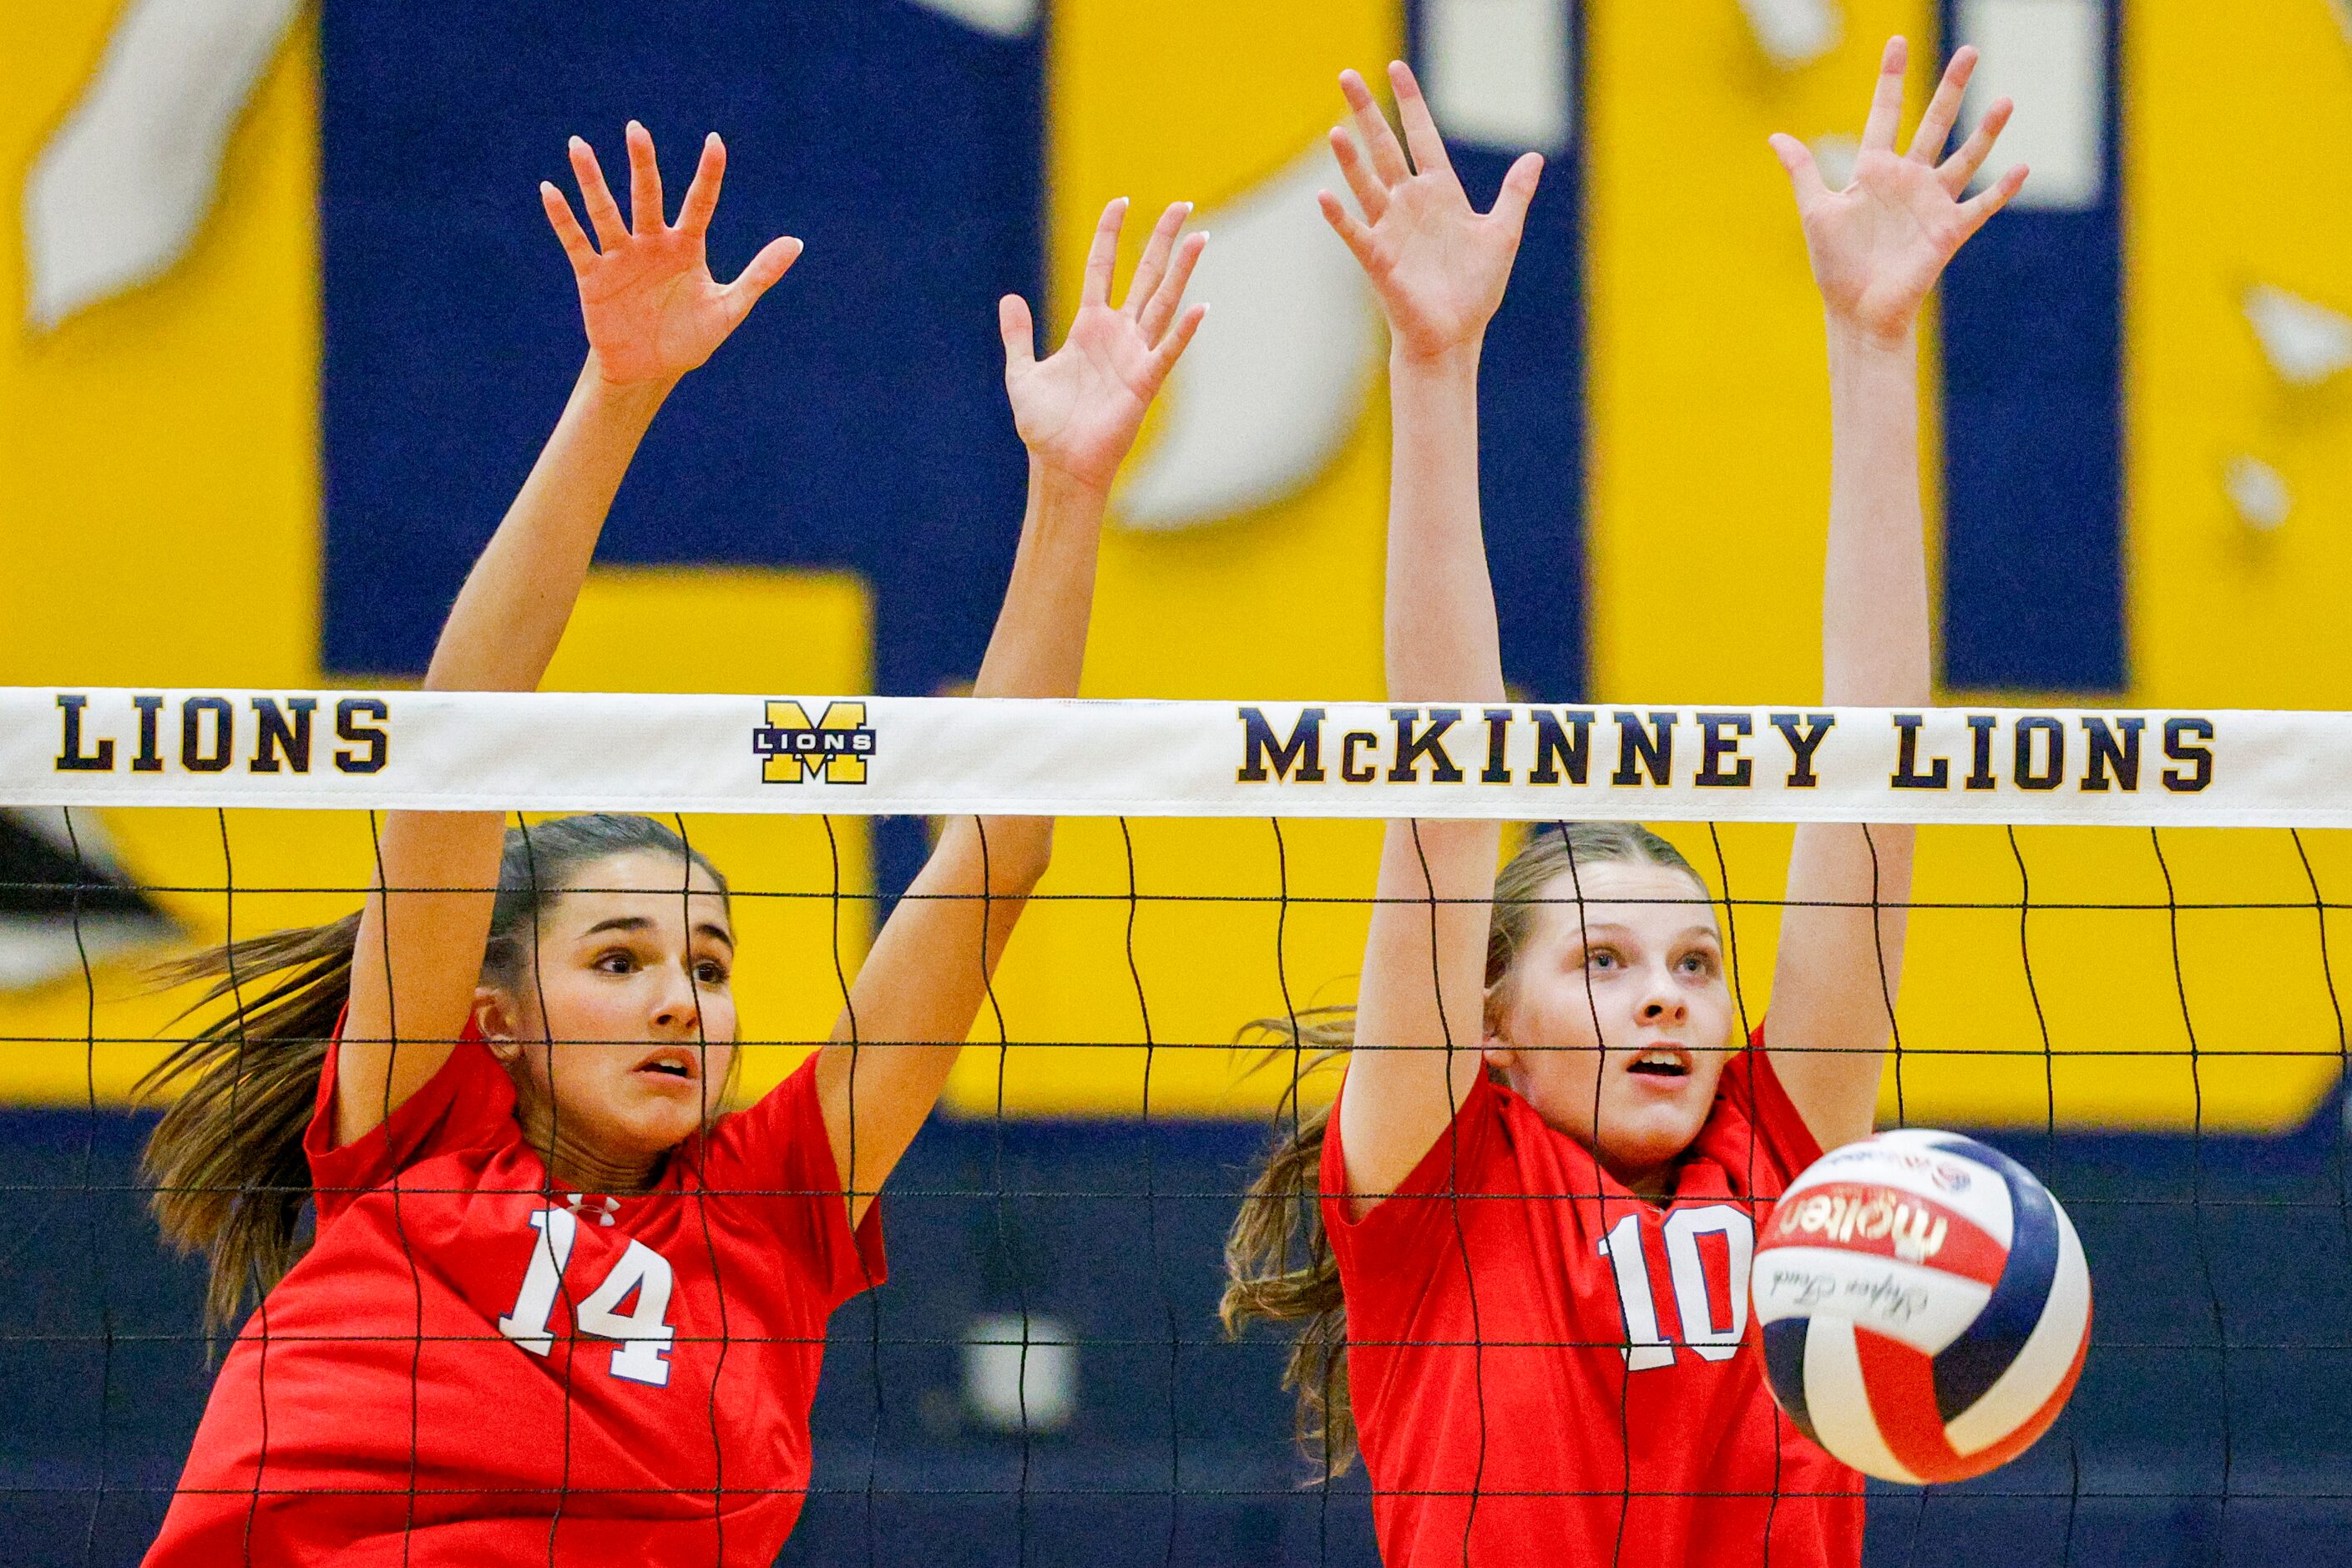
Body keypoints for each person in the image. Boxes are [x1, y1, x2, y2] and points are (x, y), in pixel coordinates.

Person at [139, 123, 1206, 1566]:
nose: (677, 1000)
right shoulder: (413, 1132)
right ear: (496, 1016)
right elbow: (457, 737)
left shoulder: (773, 1207)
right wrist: (618, 393)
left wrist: (1070, 488)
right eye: (621, 957)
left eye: (706, 965)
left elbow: (997, 847)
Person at [1222, 42, 2024, 1565]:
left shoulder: (1784, 1155)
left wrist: (1873, 348)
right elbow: (1445, 769)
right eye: (1600, 962)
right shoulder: (1439, 1177)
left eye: (1692, 963)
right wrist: (1433, 367)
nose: (1664, 998)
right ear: (1491, 1026)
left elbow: (1877, 764)